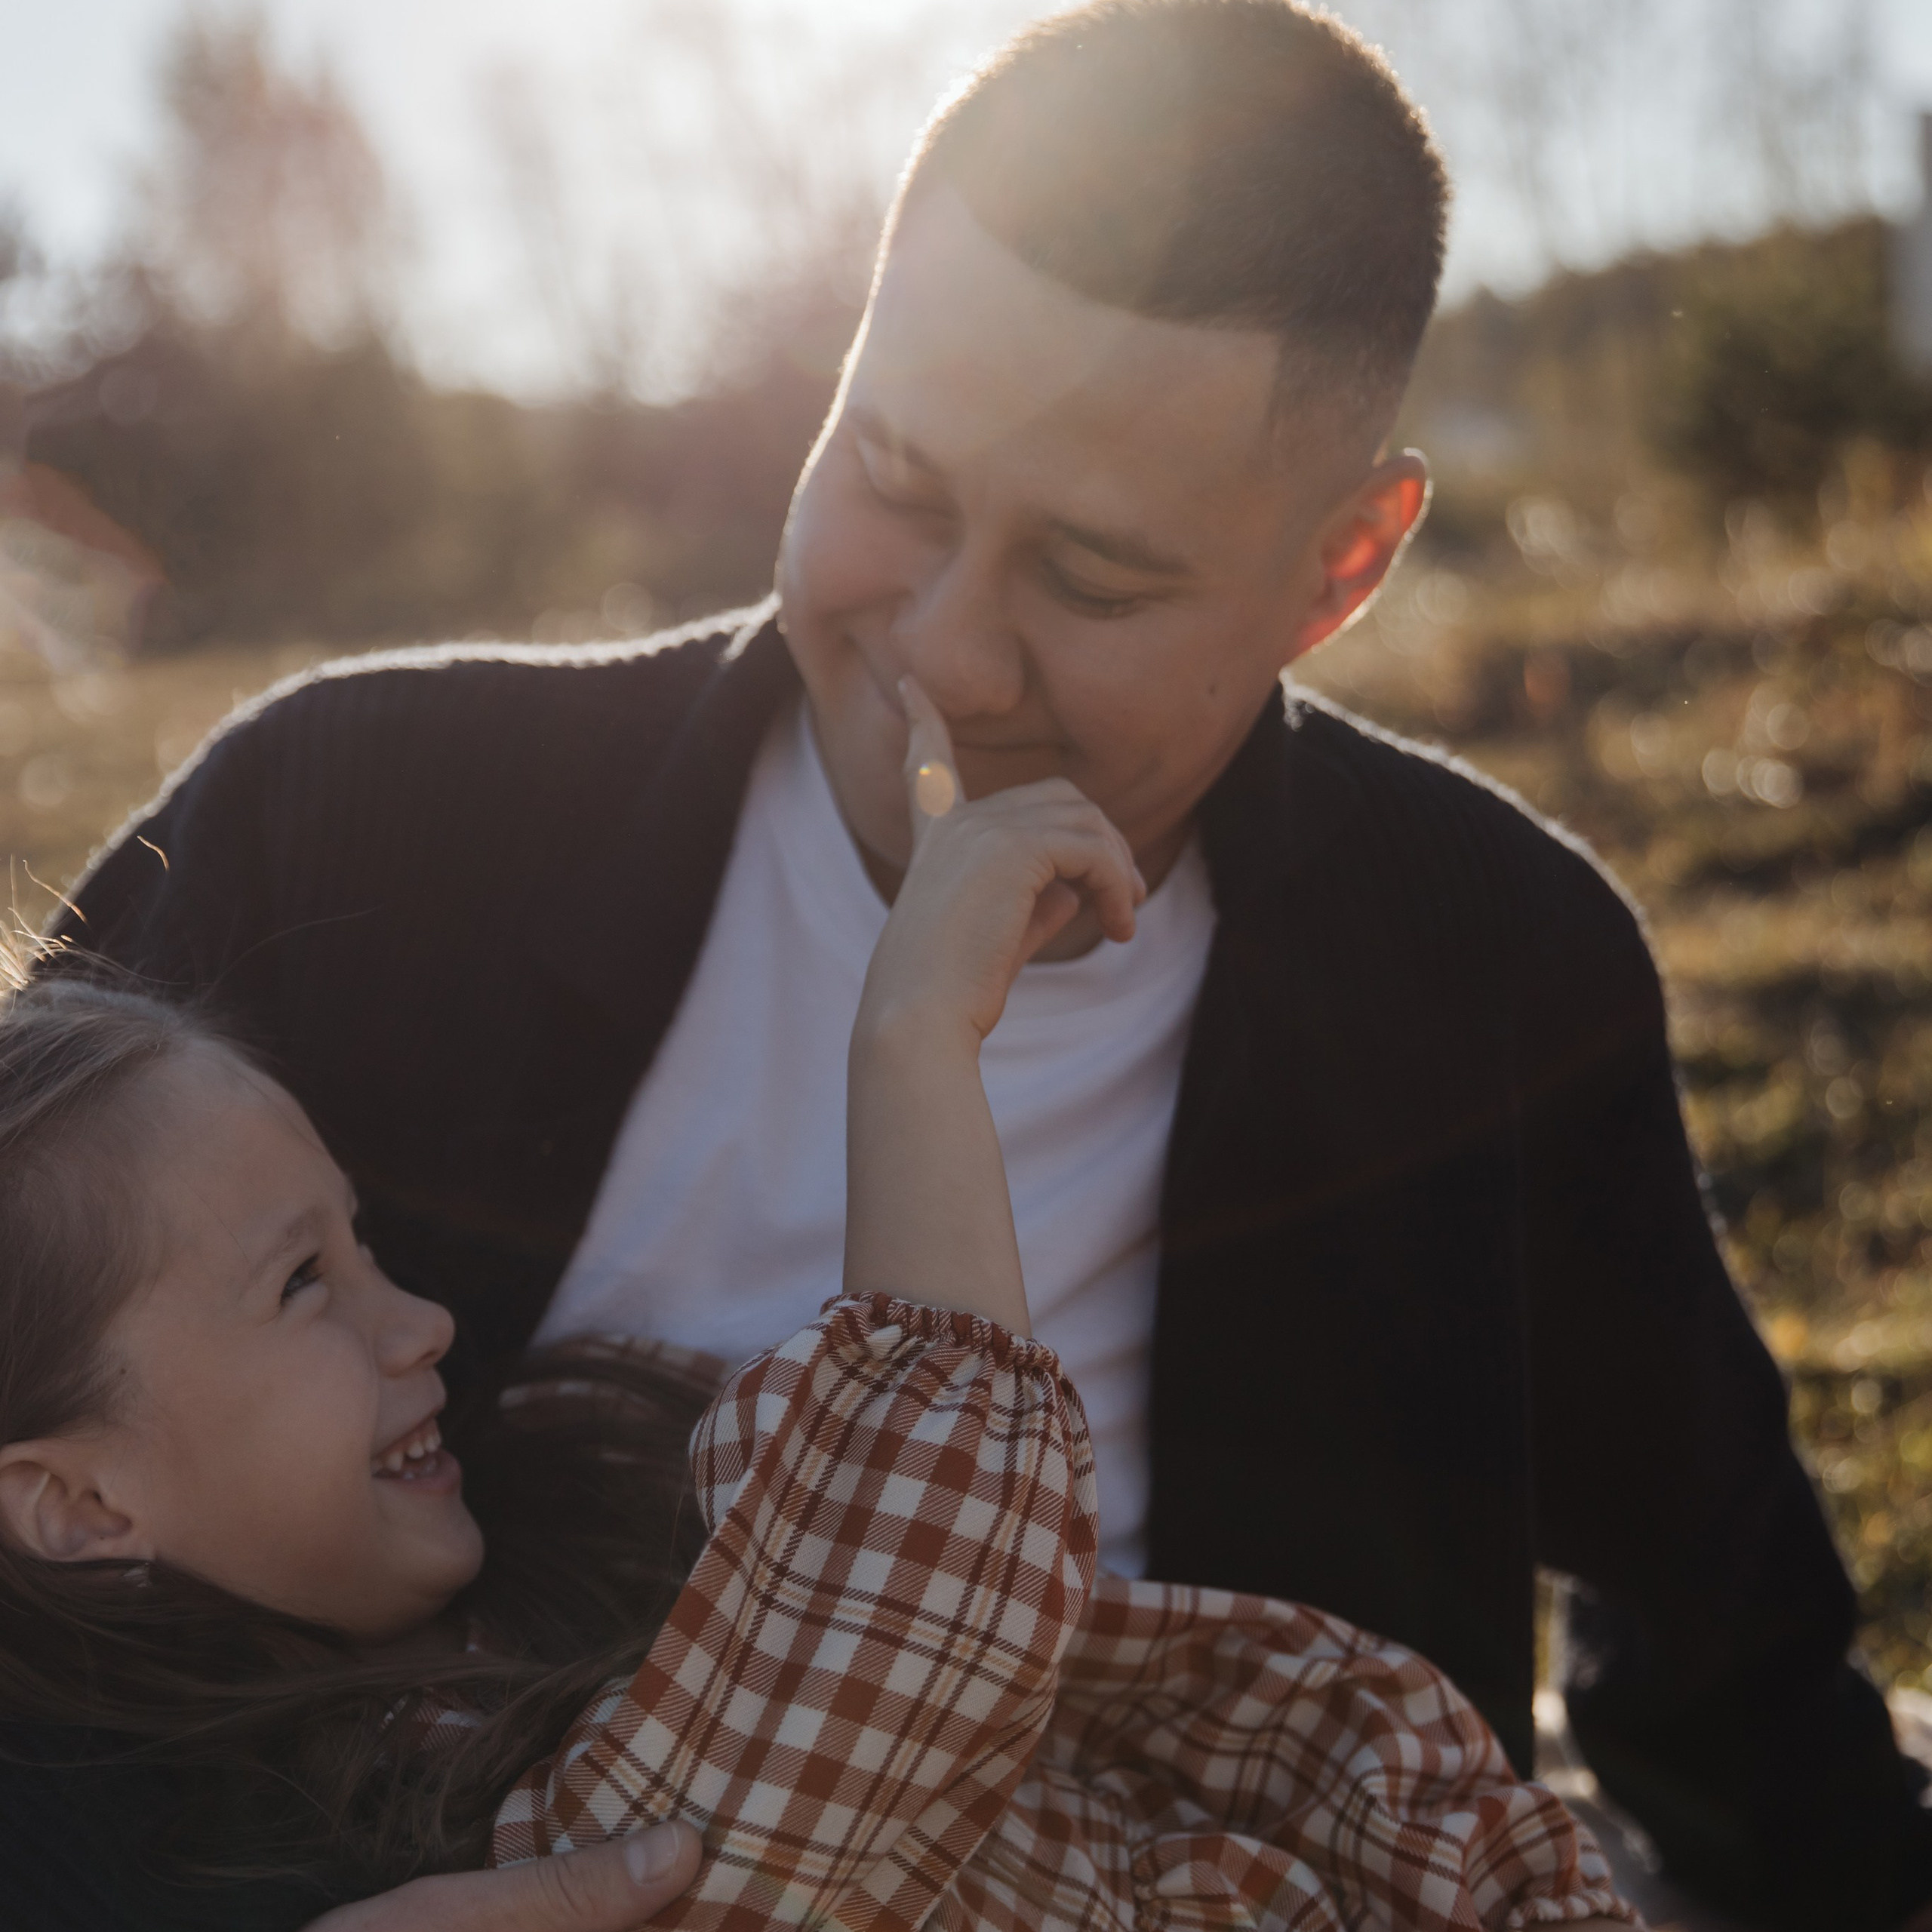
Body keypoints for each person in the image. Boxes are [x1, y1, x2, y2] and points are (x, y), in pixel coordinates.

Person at [14, 2, 1931, 1927]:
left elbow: (1739, 1684)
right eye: (895, 482)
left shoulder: (1494, 970)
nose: (946, 648)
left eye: (1092, 577)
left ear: (1339, 568)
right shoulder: (347, 820)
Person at [0, 689, 1636, 1931]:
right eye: (302, 1282)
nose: (422, 1316)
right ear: (74, 1501)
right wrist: (915, 1035)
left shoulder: (568, 1476)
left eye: (362, 1245)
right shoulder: (355, 1802)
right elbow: (895, 1636)